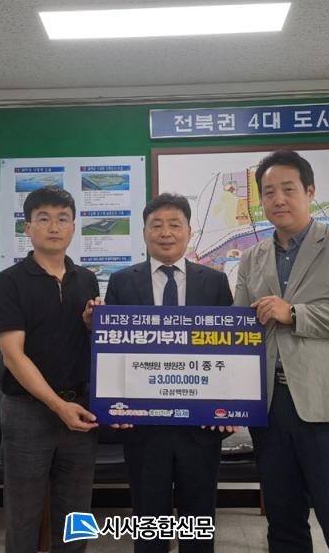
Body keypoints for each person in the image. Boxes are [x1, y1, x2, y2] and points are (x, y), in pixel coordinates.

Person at [233, 150, 329, 553]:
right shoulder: (251, 258)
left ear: (310, 192)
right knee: (283, 518)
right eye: (269, 192)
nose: (278, 199)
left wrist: (295, 314)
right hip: (270, 406)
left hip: (328, 403)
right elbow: (241, 328)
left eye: (288, 189)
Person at [95, 193, 233, 553]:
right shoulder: (122, 282)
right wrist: (114, 406)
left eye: (175, 225)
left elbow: (231, 350)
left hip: (202, 424)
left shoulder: (214, 282)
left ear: (189, 232)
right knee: (149, 515)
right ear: (144, 233)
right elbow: (112, 352)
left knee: (198, 516)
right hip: (143, 425)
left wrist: (231, 408)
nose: (166, 233)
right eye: (157, 225)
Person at [0, 186, 100, 552]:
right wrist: (58, 406)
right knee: (23, 513)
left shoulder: (86, 279)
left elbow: (88, 344)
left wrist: (91, 324)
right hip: (27, 412)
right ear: (28, 227)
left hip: (80, 408)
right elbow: (13, 357)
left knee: (77, 512)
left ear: (73, 227)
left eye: (63, 219)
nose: (54, 227)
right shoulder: (8, 283)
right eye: (44, 219)